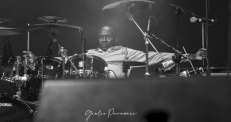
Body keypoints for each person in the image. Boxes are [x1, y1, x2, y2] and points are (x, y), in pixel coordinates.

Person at [23, 26, 206, 79]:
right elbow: (64, 60)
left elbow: (155, 57)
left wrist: (191, 56)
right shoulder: (90, 52)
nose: (103, 39)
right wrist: (37, 58)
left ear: (114, 38)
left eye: (107, 36)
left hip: (117, 89)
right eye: (101, 36)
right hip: (91, 88)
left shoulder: (124, 51)